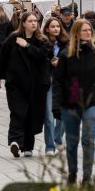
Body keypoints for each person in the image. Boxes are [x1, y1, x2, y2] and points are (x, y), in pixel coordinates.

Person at [52, 19, 95, 185]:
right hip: (69, 103)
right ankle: (72, 173)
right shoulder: (66, 55)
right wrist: (56, 105)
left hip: (92, 103)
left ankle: (87, 177)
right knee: (72, 142)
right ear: (76, 33)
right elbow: (57, 81)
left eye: (90, 30)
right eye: (85, 30)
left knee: (88, 139)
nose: (89, 33)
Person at [0, 12, 50, 158]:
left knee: (31, 113)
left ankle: (28, 146)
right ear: (23, 23)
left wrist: (27, 46)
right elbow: (2, 59)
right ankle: (15, 142)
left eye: (35, 21)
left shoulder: (41, 40)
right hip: (16, 84)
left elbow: (42, 57)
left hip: (36, 85)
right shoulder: (13, 38)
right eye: (30, 21)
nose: (33, 23)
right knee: (17, 112)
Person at [42, 17, 69, 155]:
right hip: (47, 81)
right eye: (52, 26)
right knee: (49, 115)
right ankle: (50, 146)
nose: (56, 29)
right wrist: (50, 62)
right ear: (47, 29)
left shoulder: (67, 43)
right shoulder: (42, 43)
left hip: (63, 82)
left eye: (57, 26)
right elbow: (38, 61)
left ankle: (58, 138)